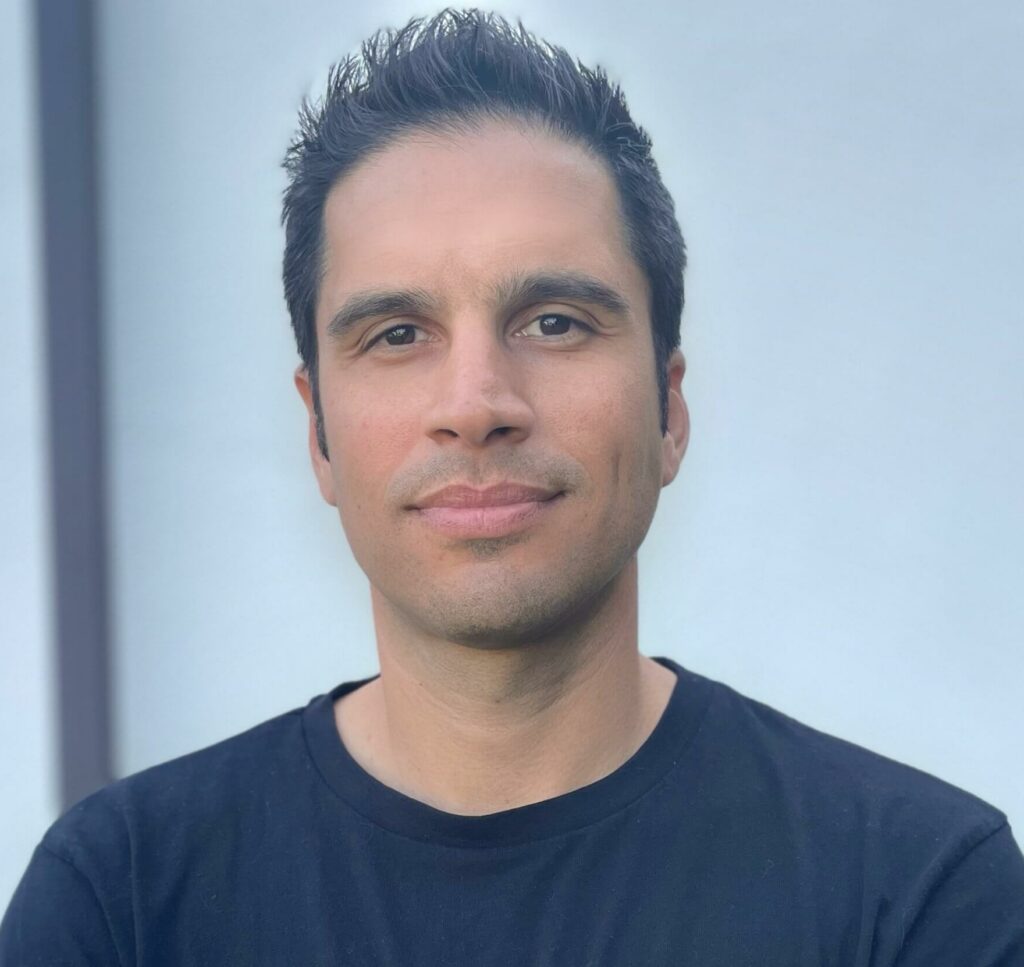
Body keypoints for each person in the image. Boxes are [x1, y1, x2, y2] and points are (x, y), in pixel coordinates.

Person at [3, 8, 1023, 965]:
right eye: (397, 335)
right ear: (317, 431)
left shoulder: (913, 897)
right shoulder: (125, 905)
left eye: (553, 322)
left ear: (668, 410)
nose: (478, 401)